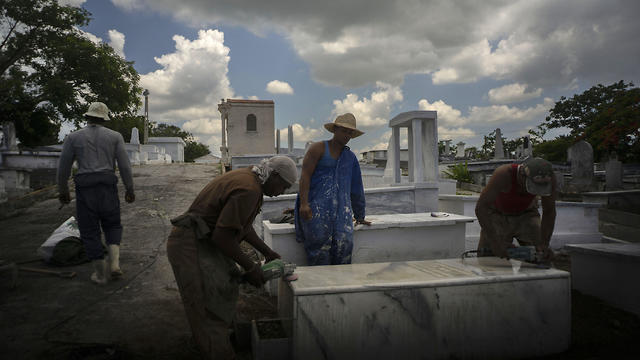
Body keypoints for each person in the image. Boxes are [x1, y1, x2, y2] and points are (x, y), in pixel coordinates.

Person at [167, 155, 297, 359]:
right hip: (190, 243)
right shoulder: (249, 189)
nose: (283, 192)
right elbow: (223, 236)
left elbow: (243, 228)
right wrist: (251, 267)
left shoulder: (251, 181)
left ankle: (219, 343)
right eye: (284, 186)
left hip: (203, 240)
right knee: (207, 308)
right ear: (275, 175)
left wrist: (267, 252)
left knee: (224, 289)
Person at [57, 102, 135, 284]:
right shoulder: (115, 137)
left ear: (87, 117)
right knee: (113, 224)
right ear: (104, 119)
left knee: (89, 229)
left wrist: (63, 191)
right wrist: (130, 189)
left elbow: (63, 168)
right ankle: (115, 264)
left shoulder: (73, 137)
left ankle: (100, 274)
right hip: (108, 185)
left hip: (85, 188)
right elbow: (125, 166)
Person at [295, 113, 370, 266]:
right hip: (317, 210)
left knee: (344, 248)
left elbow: (356, 189)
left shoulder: (350, 158)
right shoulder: (318, 148)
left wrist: (360, 215)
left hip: (343, 214)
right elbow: (305, 177)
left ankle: (340, 288)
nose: (347, 135)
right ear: (335, 129)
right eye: (344, 130)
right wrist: (304, 204)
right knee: (318, 251)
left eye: (350, 132)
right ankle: (320, 288)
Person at [475, 157, 556, 260]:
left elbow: (549, 211)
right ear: (522, 175)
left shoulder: (548, 178)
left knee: (540, 256)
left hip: (527, 214)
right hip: (497, 215)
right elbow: (481, 207)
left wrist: (544, 243)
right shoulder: (504, 174)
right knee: (488, 259)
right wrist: (495, 241)